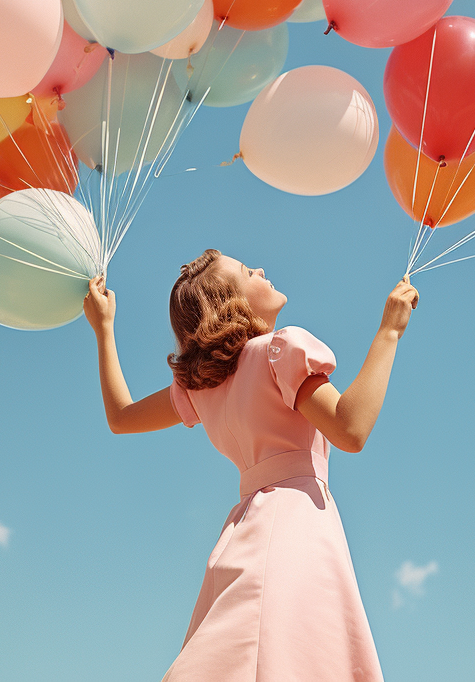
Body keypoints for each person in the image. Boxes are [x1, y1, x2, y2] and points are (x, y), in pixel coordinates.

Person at [82, 250, 419, 681]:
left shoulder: (201, 388)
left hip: (246, 530)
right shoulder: (280, 350)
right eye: (246, 272)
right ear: (231, 304)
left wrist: (103, 329)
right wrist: (389, 330)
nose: (260, 269)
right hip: (295, 525)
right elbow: (349, 428)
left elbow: (121, 417)